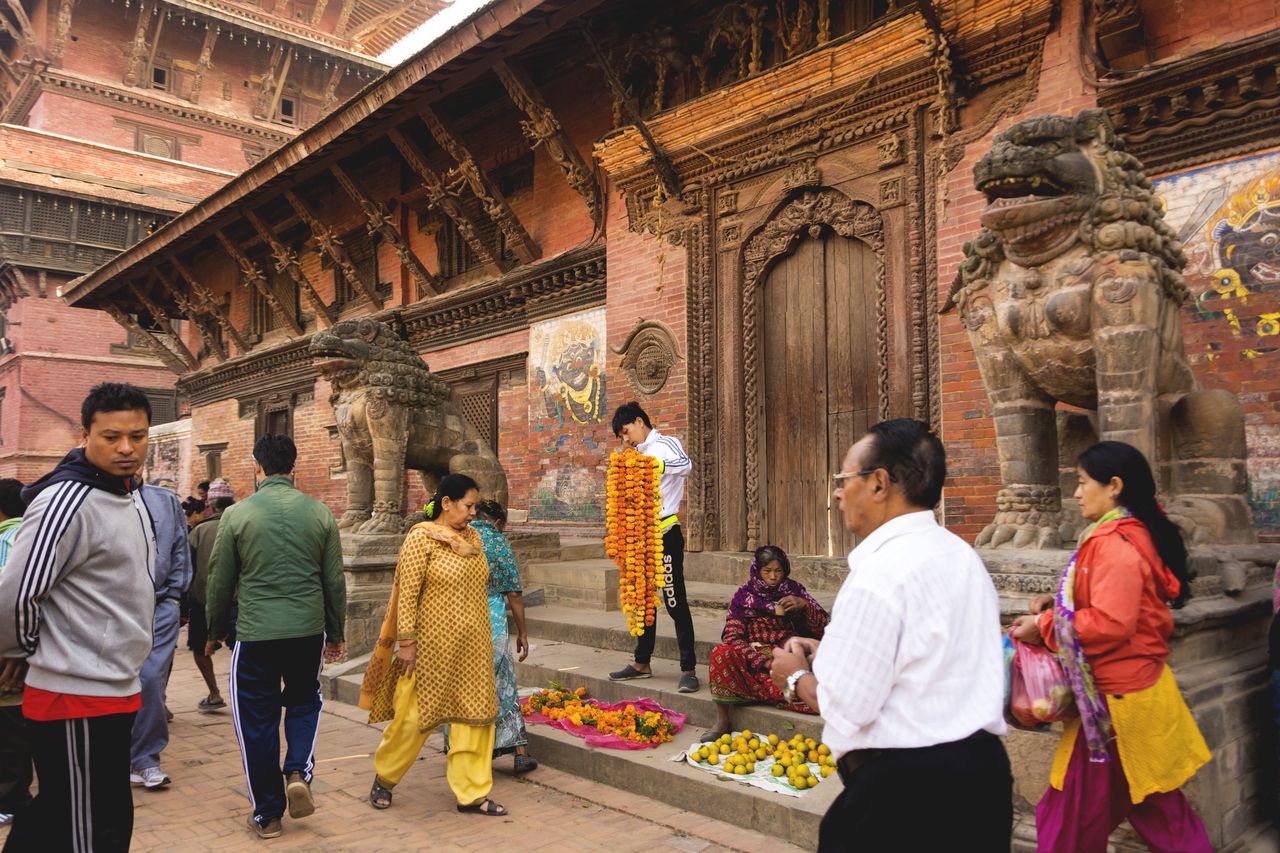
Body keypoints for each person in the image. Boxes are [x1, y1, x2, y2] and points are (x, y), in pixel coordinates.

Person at [768, 419, 1011, 852]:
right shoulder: (961, 556)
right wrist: (830, 650)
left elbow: (848, 706)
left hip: (906, 798)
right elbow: (929, 657)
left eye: (844, 479)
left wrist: (794, 677)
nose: (839, 493)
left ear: (879, 484)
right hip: (982, 781)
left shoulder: (880, 573)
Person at [1010, 440, 1212, 852]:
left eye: (1084, 483)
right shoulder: (1120, 536)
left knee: (1068, 820)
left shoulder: (1115, 544)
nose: (1078, 493)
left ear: (1114, 485)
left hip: (1114, 708)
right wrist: (1058, 605)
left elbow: (1110, 623)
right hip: (1129, 699)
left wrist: (1044, 626)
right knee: (1161, 814)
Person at [0, 383, 158, 851]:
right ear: (84, 433)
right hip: (74, 691)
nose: (126, 448)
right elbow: (17, 593)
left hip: (114, 686)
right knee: (91, 828)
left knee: (68, 814)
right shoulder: (66, 500)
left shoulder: (126, 493)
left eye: (138, 435)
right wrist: (21, 651)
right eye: (111, 436)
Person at [205, 435, 347, 839]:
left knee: (256, 720)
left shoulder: (237, 515)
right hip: (307, 630)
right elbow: (333, 581)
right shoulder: (319, 513)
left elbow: (219, 580)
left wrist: (213, 630)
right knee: (304, 702)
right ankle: (297, 769)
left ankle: (268, 814)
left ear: (257, 467)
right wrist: (335, 633)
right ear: (294, 467)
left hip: (256, 634)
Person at [361, 474, 506, 817]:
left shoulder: (474, 538)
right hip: (430, 649)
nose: (473, 513)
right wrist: (407, 643)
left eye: (474, 507)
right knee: (413, 720)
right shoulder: (420, 539)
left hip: (473, 647)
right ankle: (385, 778)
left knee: (475, 719)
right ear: (446, 503)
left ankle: (471, 794)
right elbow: (407, 595)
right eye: (468, 506)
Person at [607, 402, 699, 693]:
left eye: (626, 431)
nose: (625, 439)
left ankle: (688, 668)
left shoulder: (666, 445)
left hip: (666, 533)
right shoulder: (631, 455)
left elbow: (686, 467)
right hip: (639, 536)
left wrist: (655, 465)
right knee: (642, 600)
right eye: (621, 436)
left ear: (639, 421)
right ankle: (641, 662)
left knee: (674, 600)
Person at [701, 545, 829, 741]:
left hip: (788, 657)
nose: (772, 577)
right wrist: (764, 661)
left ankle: (780, 694)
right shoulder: (744, 596)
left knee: (821, 665)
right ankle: (723, 720)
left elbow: (823, 627)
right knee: (721, 653)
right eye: (767, 571)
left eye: (778, 571)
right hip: (756, 663)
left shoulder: (794, 591)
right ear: (757, 571)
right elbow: (732, 636)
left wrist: (804, 606)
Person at [129, 482, 192, 790]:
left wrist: (176, 596)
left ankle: (146, 759)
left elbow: (180, 547)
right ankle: (113, 755)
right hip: (111, 607)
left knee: (151, 678)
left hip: (161, 603)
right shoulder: (90, 496)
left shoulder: (164, 500)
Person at [468, 499, 536, 773]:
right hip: (492, 620)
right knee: (503, 683)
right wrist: (522, 632)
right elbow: (515, 594)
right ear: (497, 522)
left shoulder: (455, 535)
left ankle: (469, 752)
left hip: (458, 618)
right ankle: (519, 752)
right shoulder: (497, 542)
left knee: (468, 685)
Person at [188, 479, 235, 712]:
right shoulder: (243, 525)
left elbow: (189, 568)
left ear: (211, 504)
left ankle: (215, 693)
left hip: (203, 599)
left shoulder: (199, 530)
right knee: (242, 649)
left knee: (199, 648)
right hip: (239, 601)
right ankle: (241, 692)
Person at [0, 479, 29, 828]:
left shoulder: (6, 539)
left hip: (7, 649)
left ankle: (12, 798)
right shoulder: (35, 534)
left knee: (8, 729)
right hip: (35, 647)